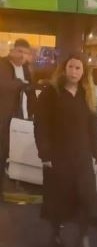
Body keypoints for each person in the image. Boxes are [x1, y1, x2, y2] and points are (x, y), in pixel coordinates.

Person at [34, 52, 97, 247]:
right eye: (71, 67)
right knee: (58, 198)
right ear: (64, 69)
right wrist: (44, 154)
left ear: (84, 72)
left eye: (78, 68)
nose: (74, 71)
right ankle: (55, 237)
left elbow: (93, 128)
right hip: (58, 155)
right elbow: (41, 125)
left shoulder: (87, 95)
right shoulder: (51, 93)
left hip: (81, 155)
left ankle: (83, 239)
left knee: (86, 198)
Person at [0, 38, 36, 200]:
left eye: (26, 52)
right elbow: (5, 84)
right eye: (19, 51)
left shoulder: (28, 69)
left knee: (16, 152)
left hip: (22, 118)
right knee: (3, 152)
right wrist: (21, 83)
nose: (22, 56)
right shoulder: (3, 65)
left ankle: (15, 185)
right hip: (4, 117)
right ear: (12, 51)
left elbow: (31, 91)